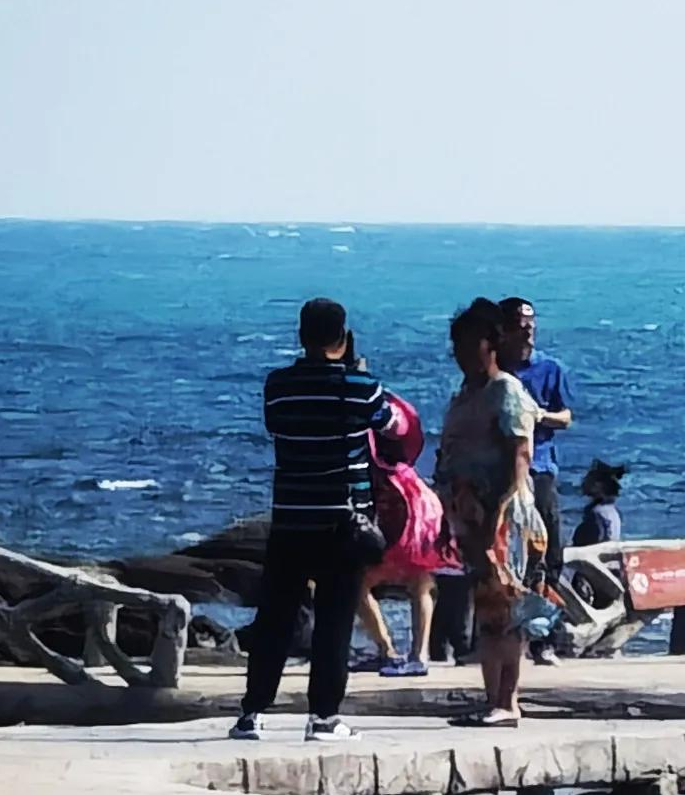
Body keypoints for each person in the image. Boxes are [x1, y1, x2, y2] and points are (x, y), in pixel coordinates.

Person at [231, 298, 394, 742]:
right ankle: (323, 716)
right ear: (343, 338)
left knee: (275, 619)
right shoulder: (360, 386)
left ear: (301, 336)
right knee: (334, 621)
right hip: (343, 523)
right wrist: (355, 370)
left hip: (290, 518)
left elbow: (274, 425)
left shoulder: (278, 386)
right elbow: (391, 424)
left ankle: (252, 712)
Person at [433, 299, 546, 727]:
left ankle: (508, 700)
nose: (462, 352)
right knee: (486, 610)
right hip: (468, 513)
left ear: (490, 344)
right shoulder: (464, 394)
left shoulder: (506, 391)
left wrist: (498, 515)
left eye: (469, 343)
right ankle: (491, 699)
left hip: (504, 514)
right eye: (456, 344)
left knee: (508, 609)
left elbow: (519, 455)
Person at [352, 390, 448, 679]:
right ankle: (416, 654)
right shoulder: (404, 470)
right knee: (420, 583)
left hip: (408, 517)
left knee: (361, 583)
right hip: (427, 511)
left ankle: (390, 650)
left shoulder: (384, 477)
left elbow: (394, 515)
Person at [499, 297, 576, 654]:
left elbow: (566, 416)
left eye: (531, 321)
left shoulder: (550, 368)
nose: (528, 328)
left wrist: (536, 415)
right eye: (519, 323)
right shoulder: (495, 371)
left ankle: (544, 636)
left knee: (548, 549)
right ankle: (492, 636)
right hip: (500, 469)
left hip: (540, 467)